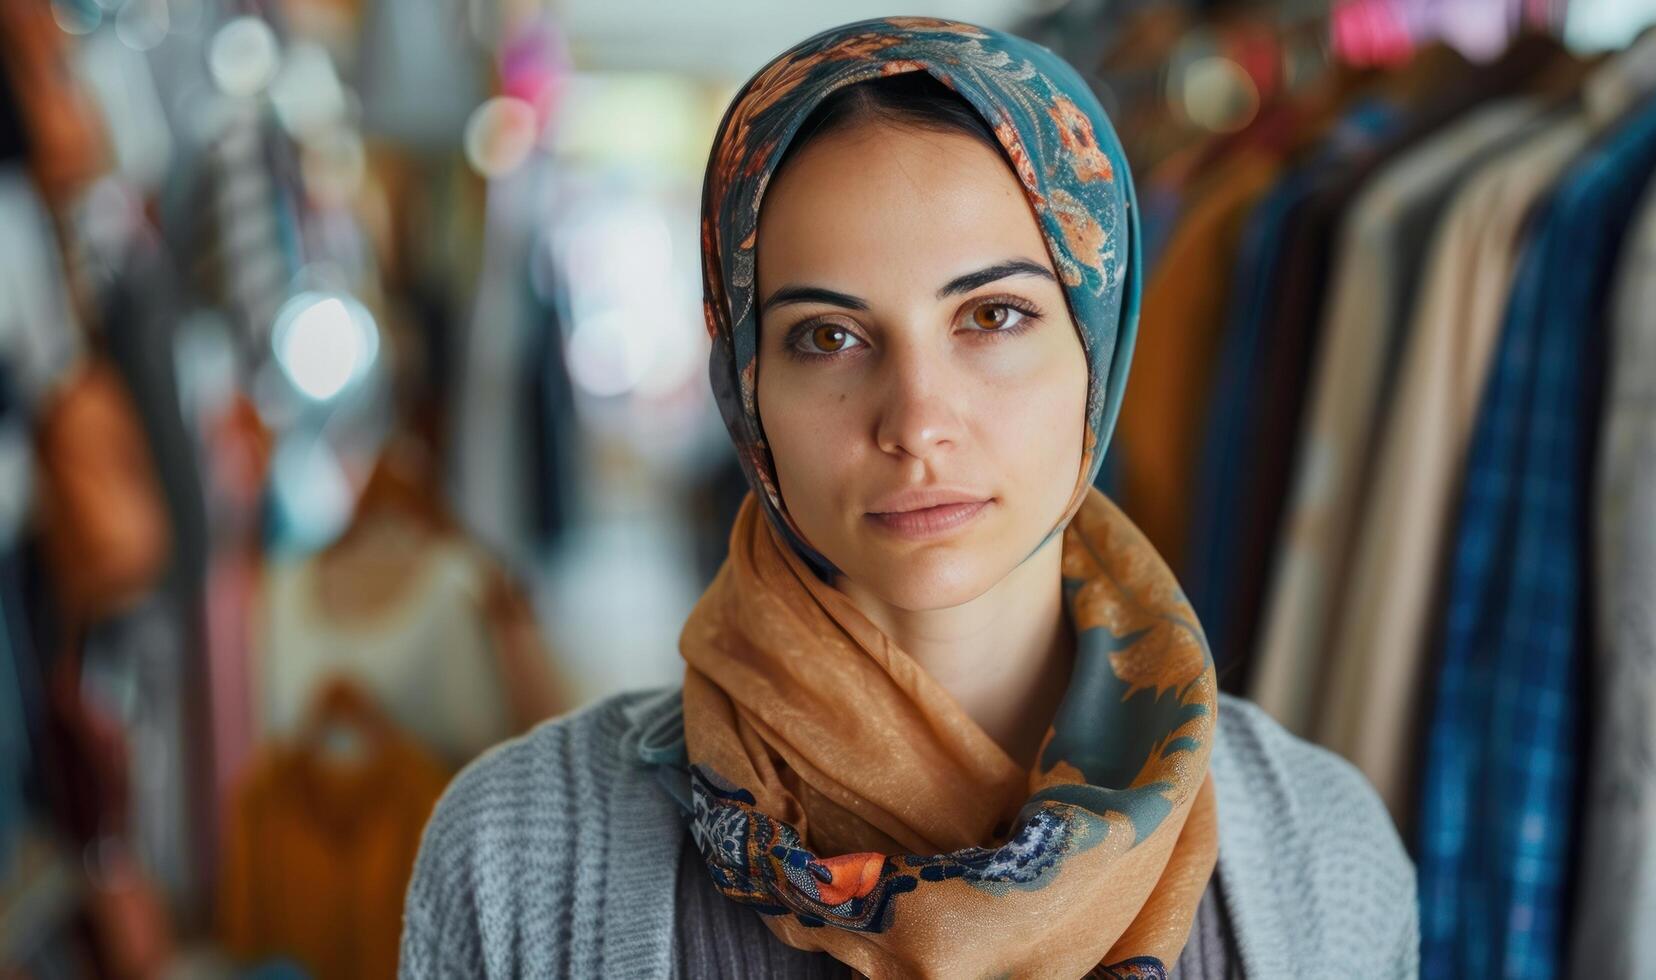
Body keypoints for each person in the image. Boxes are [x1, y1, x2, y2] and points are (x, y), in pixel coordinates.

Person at [398, 17, 1414, 978]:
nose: (918, 419)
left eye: (994, 314)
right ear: (749, 386)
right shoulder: (517, 854)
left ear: (1095, 351)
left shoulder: (1321, 844)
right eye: (827, 335)